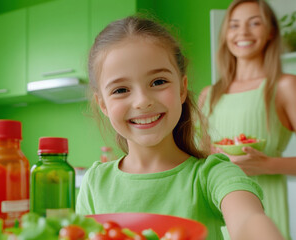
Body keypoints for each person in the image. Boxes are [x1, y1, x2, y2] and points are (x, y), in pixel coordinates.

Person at [76, 15, 284, 240]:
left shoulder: (212, 174)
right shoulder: (95, 181)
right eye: (120, 90)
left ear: (182, 89)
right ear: (103, 105)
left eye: (158, 82)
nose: (142, 101)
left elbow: (248, 220)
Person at [198, 0, 296, 239]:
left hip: (266, 204)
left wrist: (267, 164)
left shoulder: (284, 86)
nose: (242, 32)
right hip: (216, 205)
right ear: (225, 34)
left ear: (270, 32)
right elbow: (198, 156)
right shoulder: (208, 94)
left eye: (254, 23)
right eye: (234, 25)